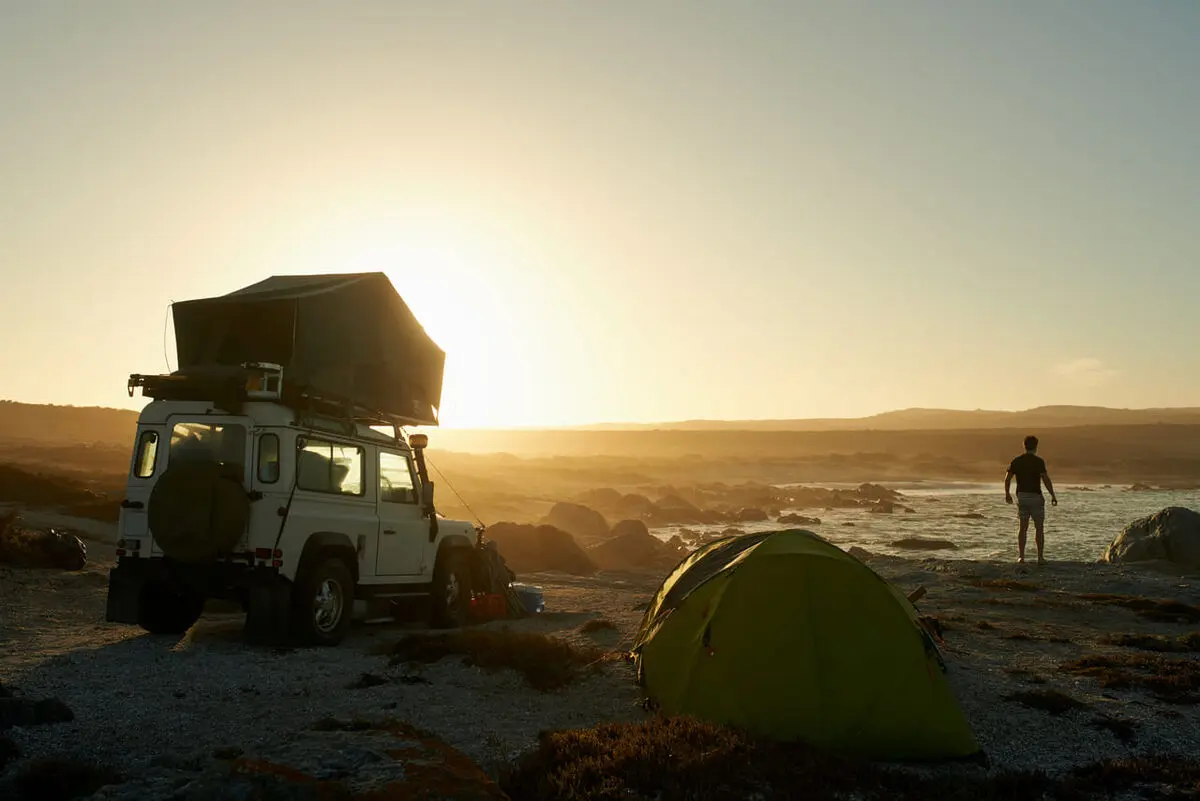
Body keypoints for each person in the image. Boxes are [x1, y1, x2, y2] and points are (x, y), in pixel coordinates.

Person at [1004, 435, 1057, 565]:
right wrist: (1052, 495)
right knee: (1039, 528)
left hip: (1022, 496)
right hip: (1036, 497)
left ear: (1024, 445)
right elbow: (1045, 479)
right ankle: (1040, 558)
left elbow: (1007, 478)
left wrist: (1007, 494)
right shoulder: (1039, 461)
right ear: (1036, 446)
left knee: (1023, 528)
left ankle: (1021, 557)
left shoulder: (1017, 460)